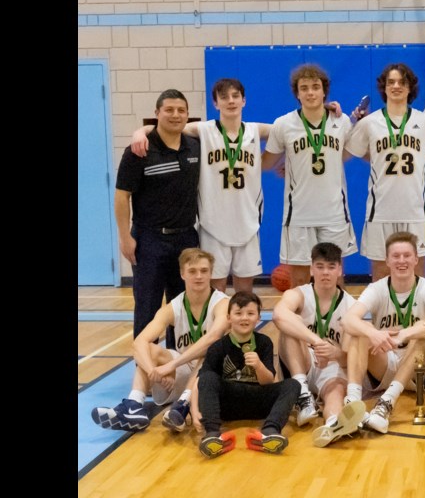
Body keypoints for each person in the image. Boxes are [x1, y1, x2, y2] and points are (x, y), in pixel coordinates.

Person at [131, 79, 270, 294]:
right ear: (215, 103)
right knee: (216, 289)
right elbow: (166, 125)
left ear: (244, 100)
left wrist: (326, 109)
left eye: (235, 96)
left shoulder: (255, 130)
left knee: (245, 289)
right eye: (224, 97)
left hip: (247, 222)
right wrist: (140, 132)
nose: (230, 101)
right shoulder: (203, 130)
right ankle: (219, 329)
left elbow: (292, 129)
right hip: (212, 224)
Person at [91, 249, 229, 432]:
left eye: (204, 271)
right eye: (192, 271)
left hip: (216, 376)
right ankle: (134, 404)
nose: (199, 276)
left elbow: (213, 337)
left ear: (211, 273)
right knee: (149, 349)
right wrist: (153, 372)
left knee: (210, 351)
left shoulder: (222, 302)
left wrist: (171, 366)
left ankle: (183, 406)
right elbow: (139, 342)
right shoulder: (174, 307)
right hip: (186, 371)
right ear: (182, 274)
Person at [115, 89, 201, 342]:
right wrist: (125, 237)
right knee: (147, 307)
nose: (176, 115)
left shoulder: (194, 146)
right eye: (169, 110)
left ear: (187, 115)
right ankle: (145, 367)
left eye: (181, 110)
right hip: (148, 239)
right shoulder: (138, 151)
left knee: (182, 306)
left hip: (186, 237)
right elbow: (122, 196)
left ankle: (178, 363)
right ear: (157, 114)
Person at [341, 232, 425, 434]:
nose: (402, 261)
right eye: (396, 256)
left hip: (417, 370)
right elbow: (348, 319)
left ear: (416, 259)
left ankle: (385, 405)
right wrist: (373, 333)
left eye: (407, 255)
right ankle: (353, 403)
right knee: (358, 332)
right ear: (387, 260)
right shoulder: (377, 288)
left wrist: (405, 334)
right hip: (384, 363)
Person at [262, 64, 356, 289]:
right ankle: (302, 323)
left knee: (335, 275)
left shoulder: (341, 121)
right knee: (300, 279)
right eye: (304, 88)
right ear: (297, 93)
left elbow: (344, 155)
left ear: (325, 91)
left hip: (334, 211)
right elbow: (266, 163)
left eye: (316, 87)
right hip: (299, 213)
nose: (310, 92)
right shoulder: (283, 124)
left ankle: (336, 322)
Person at [346, 63, 425, 282]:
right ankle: (381, 317)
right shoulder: (369, 123)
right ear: (384, 88)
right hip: (380, 211)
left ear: (410, 88)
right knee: (380, 273)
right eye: (391, 82)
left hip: (416, 210)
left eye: (402, 82)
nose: (396, 86)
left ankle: (416, 317)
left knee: (417, 275)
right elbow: (347, 153)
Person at [272, 242, 366, 447]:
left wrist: (335, 353)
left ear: (340, 270)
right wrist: (315, 341)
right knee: (291, 324)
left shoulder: (350, 305)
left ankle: (333, 423)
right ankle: (303, 393)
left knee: (335, 392)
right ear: (311, 269)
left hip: (330, 367)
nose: (326, 272)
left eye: (331, 267)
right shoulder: (298, 294)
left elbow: (350, 356)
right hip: (301, 360)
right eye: (320, 266)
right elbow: (278, 315)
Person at [196, 291, 300, 457]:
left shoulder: (264, 342)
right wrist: (195, 411)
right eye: (238, 313)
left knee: (293, 384)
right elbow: (202, 382)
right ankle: (212, 434)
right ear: (228, 317)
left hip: (258, 400)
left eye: (250, 313)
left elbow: (268, 381)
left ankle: (270, 430)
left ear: (258, 318)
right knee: (207, 377)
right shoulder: (218, 347)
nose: (244, 318)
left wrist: (258, 365)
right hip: (228, 404)